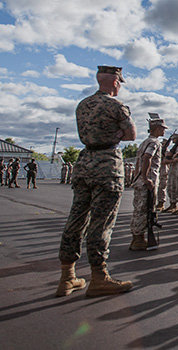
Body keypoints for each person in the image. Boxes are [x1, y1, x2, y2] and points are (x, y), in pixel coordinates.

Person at [56, 65, 134, 297]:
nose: (120, 86)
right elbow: (131, 135)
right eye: (119, 82)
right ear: (115, 82)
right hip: (107, 164)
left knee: (76, 220)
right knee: (101, 223)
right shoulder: (116, 105)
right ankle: (99, 278)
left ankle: (67, 276)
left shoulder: (83, 105)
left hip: (85, 162)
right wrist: (116, 134)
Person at [129, 113, 167, 250]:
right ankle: (138, 240)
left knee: (139, 209)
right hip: (147, 181)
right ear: (156, 128)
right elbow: (147, 158)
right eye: (162, 128)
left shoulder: (144, 142)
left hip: (140, 181)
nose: (164, 131)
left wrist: (138, 177)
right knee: (145, 209)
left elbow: (140, 161)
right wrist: (146, 178)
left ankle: (136, 238)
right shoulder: (154, 142)